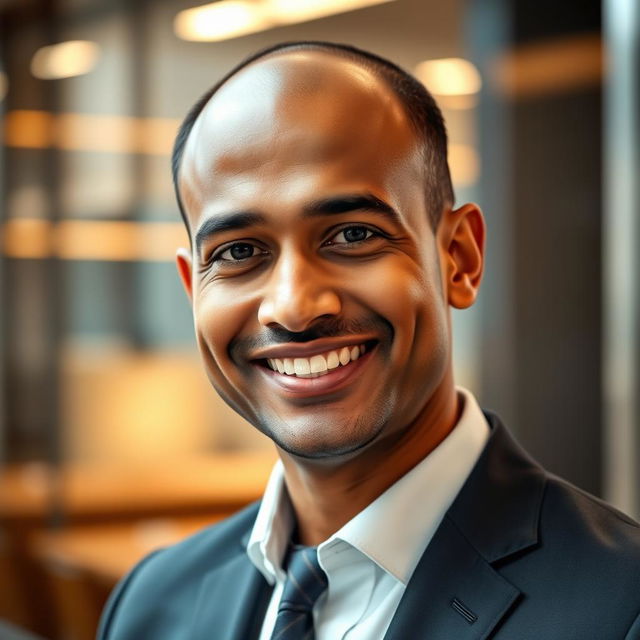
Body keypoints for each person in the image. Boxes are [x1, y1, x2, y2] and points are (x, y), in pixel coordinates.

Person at [98, 41, 640, 640]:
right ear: (192, 288)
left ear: (459, 259)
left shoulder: (622, 607)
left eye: (352, 234)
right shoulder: (150, 606)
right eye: (238, 252)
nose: (294, 307)